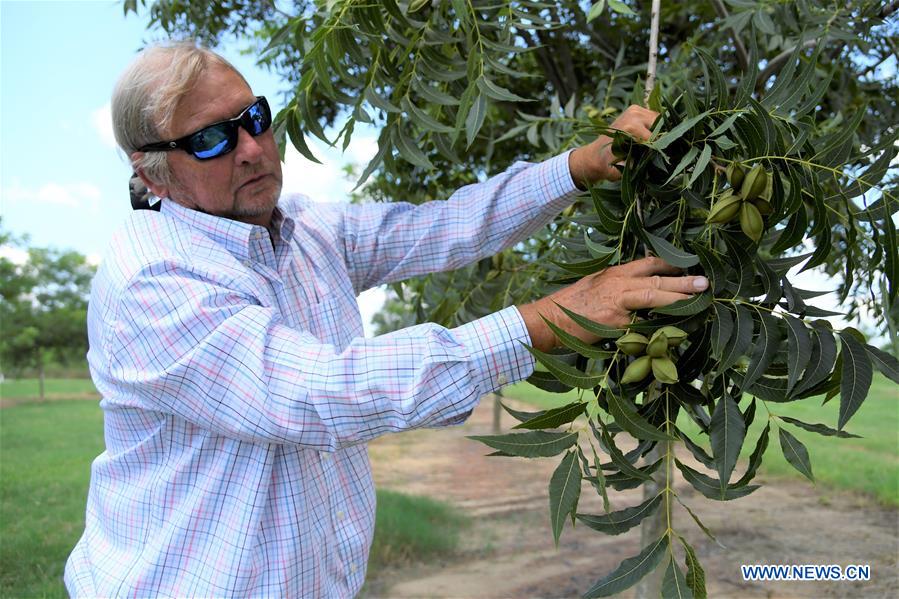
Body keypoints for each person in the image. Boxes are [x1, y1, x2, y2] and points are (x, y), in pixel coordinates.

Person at [65, 41, 708, 597]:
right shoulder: (153, 281)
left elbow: (445, 227)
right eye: (210, 139)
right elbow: (322, 395)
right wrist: (549, 319)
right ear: (150, 171)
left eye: (254, 118)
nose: (253, 149)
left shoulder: (305, 228)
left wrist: (578, 167)